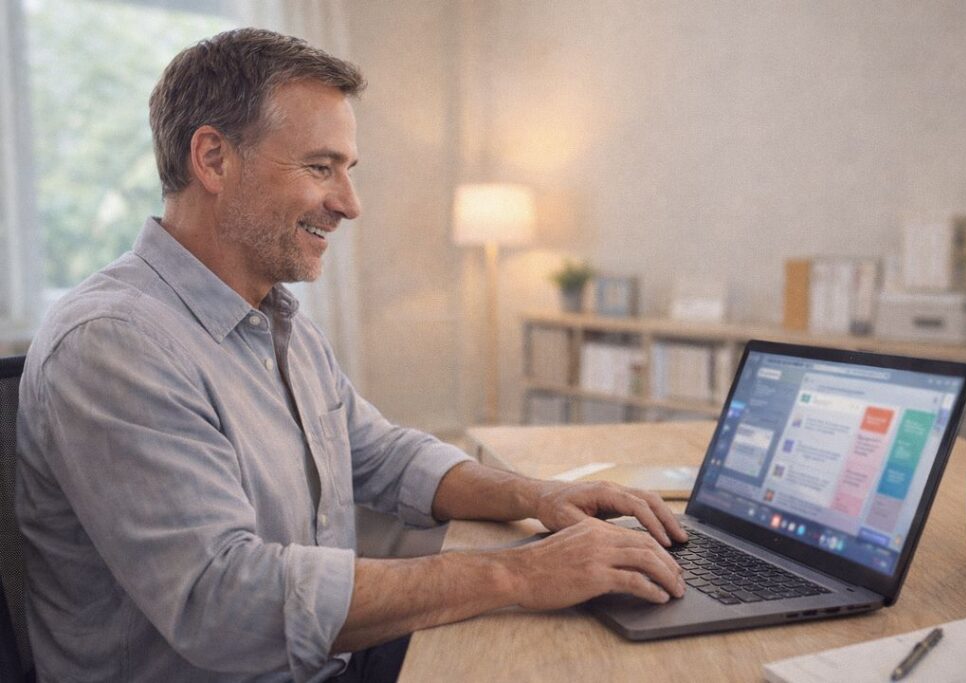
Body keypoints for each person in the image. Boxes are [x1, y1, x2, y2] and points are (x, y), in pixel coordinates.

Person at [15, 28, 687, 683]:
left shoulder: (278, 322)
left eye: (347, 170)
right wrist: (518, 572)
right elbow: (221, 600)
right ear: (213, 159)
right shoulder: (114, 342)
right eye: (320, 167)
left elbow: (381, 455)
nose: (349, 204)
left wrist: (540, 495)